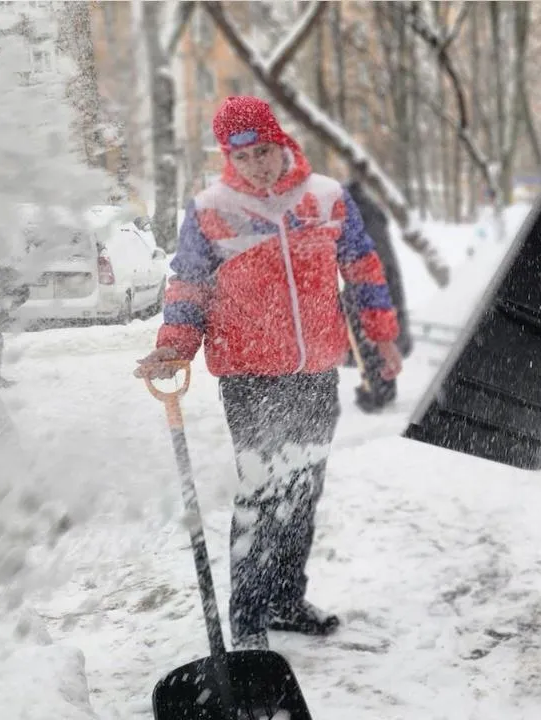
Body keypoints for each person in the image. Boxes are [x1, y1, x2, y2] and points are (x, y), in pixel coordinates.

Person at [134, 95, 403, 651]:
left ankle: (285, 599)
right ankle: (250, 618)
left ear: (281, 142)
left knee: (303, 488)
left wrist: (381, 336)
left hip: (315, 370)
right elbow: (189, 285)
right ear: (227, 157)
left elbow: (362, 267)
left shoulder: (326, 198)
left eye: (263, 151)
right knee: (262, 493)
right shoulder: (210, 209)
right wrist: (174, 347)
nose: (256, 165)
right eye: (242, 156)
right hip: (250, 376)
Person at [341, 177, 410, 412]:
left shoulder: (354, 213)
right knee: (381, 336)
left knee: (370, 337)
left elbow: (359, 253)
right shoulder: (370, 208)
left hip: (369, 280)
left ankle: (376, 391)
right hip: (385, 278)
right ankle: (383, 387)